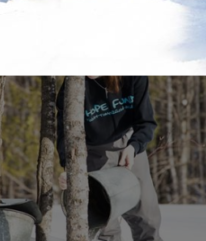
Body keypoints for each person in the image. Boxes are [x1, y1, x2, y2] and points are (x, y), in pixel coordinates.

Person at [57, 76, 163, 241]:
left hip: (129, 147)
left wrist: (133, 147)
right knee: (106, 226)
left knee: (147, 218)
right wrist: (69, 166)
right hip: (93, 154)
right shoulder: (73, 83)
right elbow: (65, 131)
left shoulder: (133, 75)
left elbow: (146, 122)